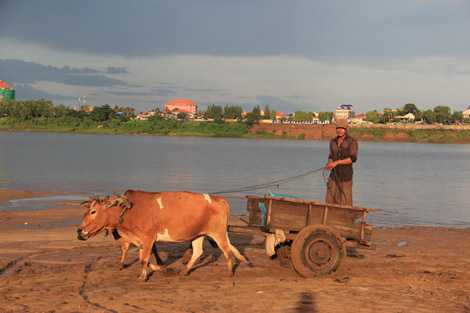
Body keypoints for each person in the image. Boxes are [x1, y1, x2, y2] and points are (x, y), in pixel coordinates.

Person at [325, 119, 358, 206]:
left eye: (342, 128)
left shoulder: (352, 142)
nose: (339, 130)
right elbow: (331, 156)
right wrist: (330, 164)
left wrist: (337, 163)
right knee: (329, 200)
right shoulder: (332, 142)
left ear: (347, 129)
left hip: (346, 176)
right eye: (338, 128)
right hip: (333, 175)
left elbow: (353, 158)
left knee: (345, 201)